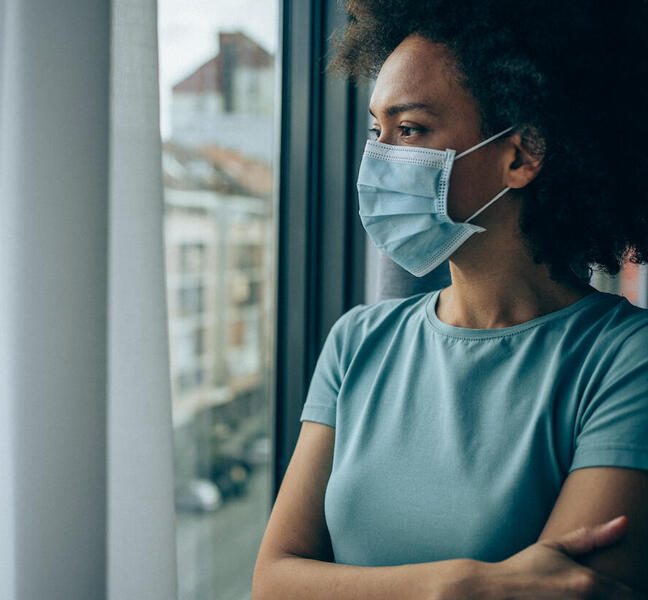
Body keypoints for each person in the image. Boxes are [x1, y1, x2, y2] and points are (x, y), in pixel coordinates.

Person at [252, 0, 648, 598]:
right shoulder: (357, 340)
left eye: (409, 129)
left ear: (520, 154)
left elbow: (571, 590)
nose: (378, 158)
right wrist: (461, 585)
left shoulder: (627, 361)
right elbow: (273, 582)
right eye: (375, 130)